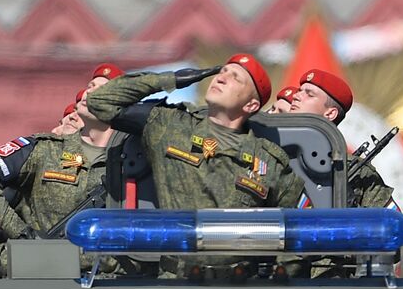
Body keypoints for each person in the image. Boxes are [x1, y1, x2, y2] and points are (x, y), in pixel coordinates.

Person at [83, 53, 304, 210]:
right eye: (223, 72)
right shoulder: (169, 125)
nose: (221, 77)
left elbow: (291, 230)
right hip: (177, 272)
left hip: (239, 273)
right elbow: (100, 102)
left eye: (236, 78)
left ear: (251, 106)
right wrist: (169, 79)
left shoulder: (269, 161)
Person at [0, 71, 130, 250]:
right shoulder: (44, 149)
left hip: (111, 279)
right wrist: (21, 241)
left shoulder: (135, 159)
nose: (89, 91)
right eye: (90, 85)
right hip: (43, 278)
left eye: (101, 89)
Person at [287, 68, 398, 209]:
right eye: (299, 91)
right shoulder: (271, 154)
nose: (296, 96)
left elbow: (391, 224)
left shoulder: (358, 173)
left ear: (330, 113)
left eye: (309, 94)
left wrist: (349, 213)